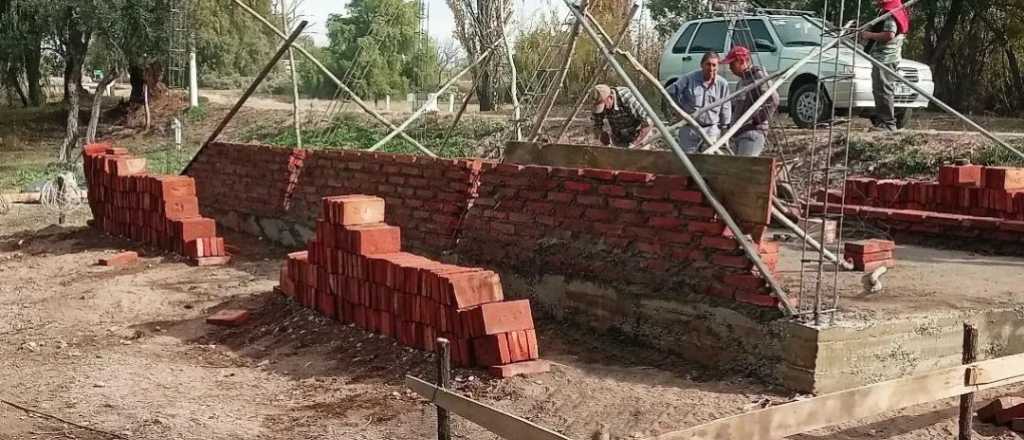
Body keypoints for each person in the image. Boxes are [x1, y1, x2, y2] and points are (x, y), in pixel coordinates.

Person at [861, 0, 909, 132]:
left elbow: (889, 35)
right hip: (882, 57)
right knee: (880, 90)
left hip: (886, 58)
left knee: (883, 90)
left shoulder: (891, 13)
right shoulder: (887, 11)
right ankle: (882, 122)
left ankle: (888, 124)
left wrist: (869, 35)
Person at [722, 46, 779, 157]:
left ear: (742, 61)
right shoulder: (742, 82)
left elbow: (773, 99)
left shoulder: (758, 77)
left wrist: (756, 119)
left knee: (744, 169)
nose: (730, 67)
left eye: (732, 63)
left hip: (752, 134)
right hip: (740, 134)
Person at [670, 51, 731, 154]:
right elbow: (670, 92)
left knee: (709, 162)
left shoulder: (722, 84)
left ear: (718, 67)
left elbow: (726, 108)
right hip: (689, 129)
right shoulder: (689, 79)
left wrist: (724, 130)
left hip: (711, 130)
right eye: (708, 64)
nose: (711, 68)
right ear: (701, 65)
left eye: (714, 65)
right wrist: (677, 111)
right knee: (687, 162)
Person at [590, 84, 653, 148]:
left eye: (604, 106)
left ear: (610, 98)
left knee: (639, 155)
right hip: (619, 135)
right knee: (619, 156)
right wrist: (602, 135)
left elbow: (648, 122)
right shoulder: (598, 102)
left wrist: (635, 144)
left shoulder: (626, 97)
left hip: (640, 133)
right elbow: (597, 125)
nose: (603, 109)